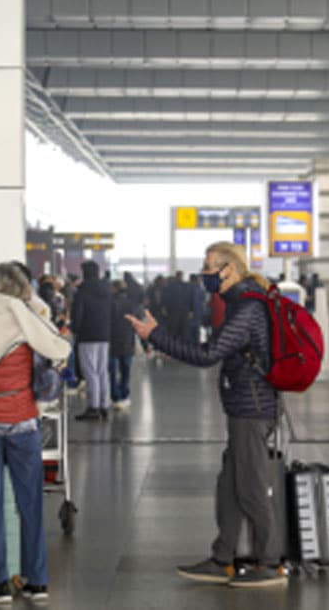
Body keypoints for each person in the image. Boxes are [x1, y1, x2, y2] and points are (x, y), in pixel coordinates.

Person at [125, 242, 286, 588]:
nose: (204, 273)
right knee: (229, 486)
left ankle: (272, 563)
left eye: (210, 266)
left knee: (250, 487)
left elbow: (208, 354)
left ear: (230, 269)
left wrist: (157, 336)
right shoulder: (240, 303)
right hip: (244, 404)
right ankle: (222, 558)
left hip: (252, 407)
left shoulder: (248, 308)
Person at [0, 263, 71, 602]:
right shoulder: (26, 322)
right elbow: (58, 350)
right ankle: (36, 581)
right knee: (30, 503)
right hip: (22, 420)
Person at [72, 260, 113, 421]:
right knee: (102, 371)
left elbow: (77, 315)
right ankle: (104, 405)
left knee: (90, 371)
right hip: (104, 335)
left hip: (87, 335)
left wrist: (75, 329)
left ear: (84, 273)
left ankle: (93, 407)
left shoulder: (82, 292)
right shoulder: (106, 290)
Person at [110, 280, 140, 410]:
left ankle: (115, 396)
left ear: (114, 289)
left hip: (112, 340)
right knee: (125, 370)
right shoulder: (131, 304)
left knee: (112, 371)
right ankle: (124, 394)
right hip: (127, 340)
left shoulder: (109, 303)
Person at [162, 271, 194, 342]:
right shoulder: (187, 286)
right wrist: (191, 310)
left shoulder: (170, 286)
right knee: (183, 331)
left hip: (175, 312)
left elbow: (166, 299)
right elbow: (191, 299)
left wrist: (165, 309)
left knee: (175, 331)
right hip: (183, 312)